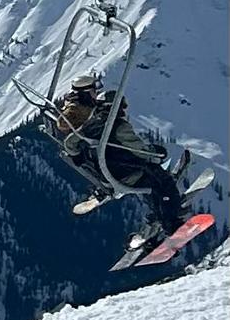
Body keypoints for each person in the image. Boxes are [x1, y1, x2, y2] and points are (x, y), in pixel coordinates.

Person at [51, 72, 187, 239]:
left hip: (107, 173)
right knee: (162, 181)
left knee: (149, 186)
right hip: (125, 173)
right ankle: (172, 222)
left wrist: (78, 157)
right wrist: (156, 155)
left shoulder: (91, 126)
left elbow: (70, 143)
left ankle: (157, 218)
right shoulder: (118, 126)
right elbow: (140, 151)